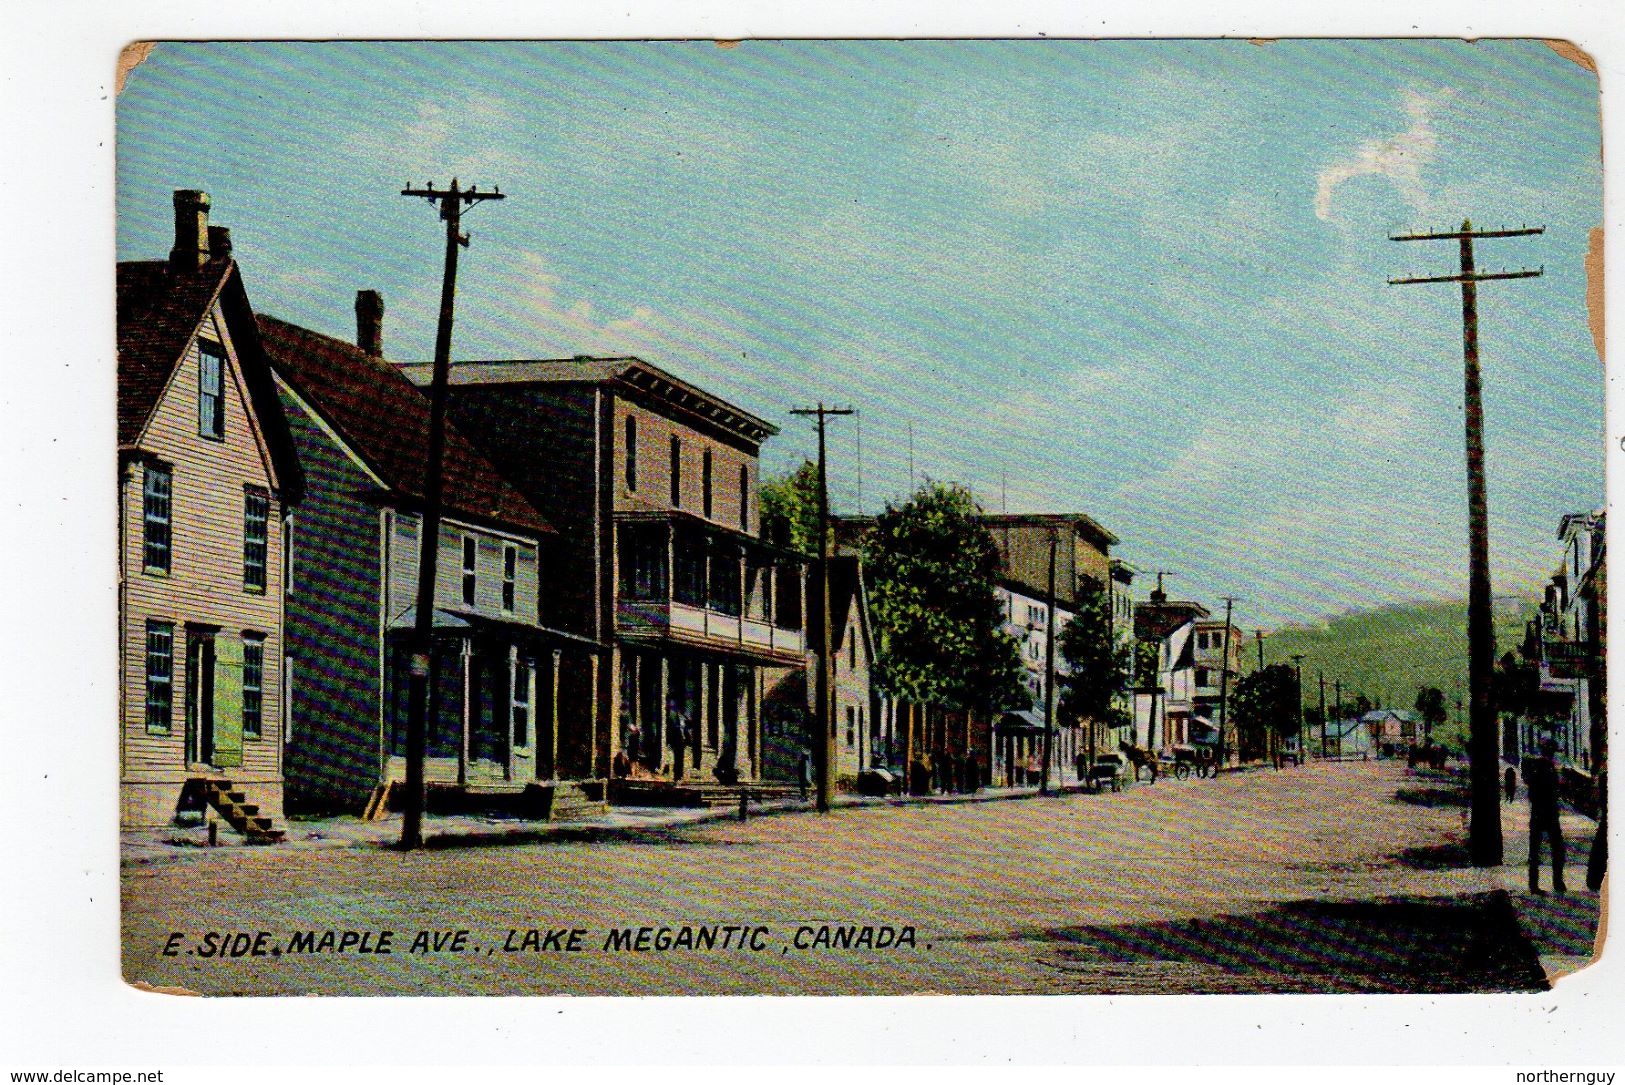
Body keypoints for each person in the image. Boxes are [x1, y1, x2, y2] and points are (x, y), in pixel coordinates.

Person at [1524, 739, 1566, 895]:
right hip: (1549, 813)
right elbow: (1554, 789)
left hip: (1537, 813)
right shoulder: (1547, 767)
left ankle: (1534, 884)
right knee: (1557, 849)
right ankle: (1557, 882)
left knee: (1536, 851)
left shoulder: (1537, 766)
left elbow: (1531, 788)